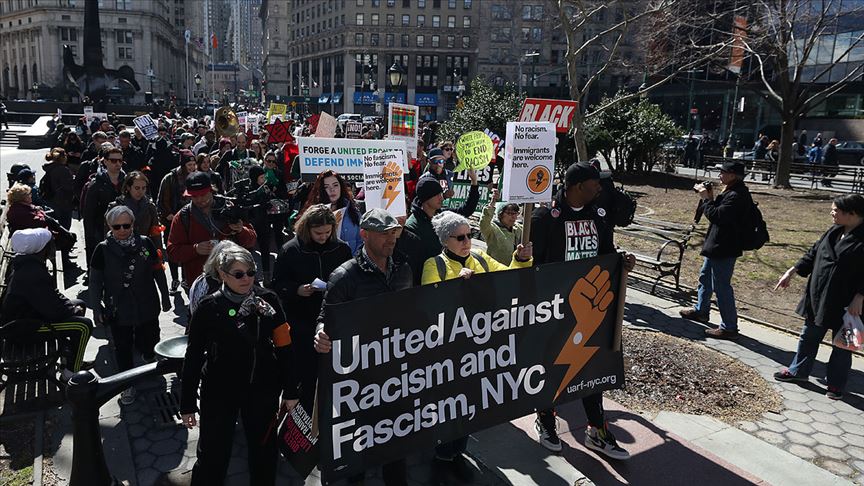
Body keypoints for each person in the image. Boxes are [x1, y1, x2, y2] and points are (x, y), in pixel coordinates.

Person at [530, 161, 636, 459]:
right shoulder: (545, 218)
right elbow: (535, 267)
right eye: (594, 184)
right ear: (577, 187)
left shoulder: (598, 216)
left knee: (592, 368)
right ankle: (546, 420)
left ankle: (597, 430)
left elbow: (606, 253)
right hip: (554, 310)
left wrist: (622, 262)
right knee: (552, 366)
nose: (600, 188)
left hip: (591, 310)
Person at [180, 244, 299, 486]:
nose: (246, 279)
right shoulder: (209, 307)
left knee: (264, 450)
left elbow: (285, 348)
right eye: (238, 274)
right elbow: (193, 356)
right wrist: (187, 403)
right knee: (213, 452)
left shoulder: (269, 300)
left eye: (251, 272)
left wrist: (290, 390)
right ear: (222, 275)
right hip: (219, 391)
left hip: (261, 387)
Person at [314, 208, 412, 486]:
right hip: (360, 377)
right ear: (364, 234)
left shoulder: (404, 269)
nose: (391, 239)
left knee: (397, 441)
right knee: (358, 443)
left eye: (394, 233)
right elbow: (325, 317)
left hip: (396, 372)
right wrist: (320, 334)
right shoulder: (344, 276)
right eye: (383, 234)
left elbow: (413, 311)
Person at [773, 194, 864, 400]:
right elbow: (813, 253)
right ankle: (798, 371)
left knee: (843, 345)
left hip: (849, 302)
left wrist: (860, 296)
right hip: (819, 295)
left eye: (836, 210)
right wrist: (792, 271)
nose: (831, 213)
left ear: (852, 214)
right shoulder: (834, 230)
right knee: (808, 336)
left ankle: (836, 385)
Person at [270, 204, 352, 407]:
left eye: (327, 232)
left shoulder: (341, 248)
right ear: (307, 229)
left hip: (333, 320)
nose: (323, 237)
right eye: (318, 233)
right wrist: (297, 289)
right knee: (306, 373)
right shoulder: (291, 250)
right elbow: (277, 285)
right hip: (302, 321)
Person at [89, 206, 171, 404]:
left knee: (151, 335)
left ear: (133, 224)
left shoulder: (145, 243)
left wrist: (165, 296)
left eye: (126, 225)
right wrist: (96, 308)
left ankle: (150, 359)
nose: (122, 230)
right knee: (122, 345)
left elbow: (157, 270)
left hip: (146, 301)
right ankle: (126, 384)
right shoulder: (102, 249)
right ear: (110, 227)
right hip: (119, 306)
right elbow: (95, 281)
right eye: (117, 227)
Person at [1, 228, 92, 379]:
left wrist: (72, 308)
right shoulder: (32, 272)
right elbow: (53, 309)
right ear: (41, 249)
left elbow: (51, 296)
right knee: (83, 326)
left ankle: (70, 359)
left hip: (28, 318)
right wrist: (72, 311)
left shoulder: (28, 264)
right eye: (50, 245)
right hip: (22, 330)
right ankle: (71, 375)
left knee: (80, 303)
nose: (53, 248)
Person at [680, 161, 753, 340]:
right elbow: (716, 211)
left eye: (723, 172)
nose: (719, 175)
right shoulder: (730, 191)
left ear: (733, 175)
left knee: (722, 287)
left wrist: (706, 198)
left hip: (725, 248)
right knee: (705, 277)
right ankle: (701, 311)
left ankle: (729, 327)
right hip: (716, 245)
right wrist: (711, 197)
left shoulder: (737, 195)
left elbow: (717, 216)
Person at [166, 171, 257, 288]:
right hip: (200, 284)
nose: (200, 199)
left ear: (211, 190)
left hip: (234, 281)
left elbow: (252, 240)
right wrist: (195, 249)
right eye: (194, 196)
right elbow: (172, 252)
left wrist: (241, 230)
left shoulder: (230, 208)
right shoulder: (182, 217)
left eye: (203, 194)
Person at [404, 173, 479, 276]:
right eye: (437, 195)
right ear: (426, 198)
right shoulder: (412, 226)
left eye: (441, 194)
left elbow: (466, 210)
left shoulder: (443, 216)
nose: (442, 198)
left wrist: (474, 182)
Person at [158, 150, 197, 293]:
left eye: (194, 164)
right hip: (172, 220)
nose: (192, 167)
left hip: (190, 220)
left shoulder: (195, 177)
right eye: (189, 165)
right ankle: (175, 279)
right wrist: (168, 214)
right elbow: (162, 200)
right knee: (173, 251)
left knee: (188, 251)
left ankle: (186, 278)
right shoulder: (170, 178)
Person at [302, 169, 363, 254]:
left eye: (335, 185)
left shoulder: (353, 210)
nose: (332, 190)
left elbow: (361, 240)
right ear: (321, 189)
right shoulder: (312, 213)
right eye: (326, 187)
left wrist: (354, 258)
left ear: (341, 187)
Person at [109, 171, 163, 251]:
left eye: (143, 188)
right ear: (128, 187)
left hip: (144, 250)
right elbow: (109, 234)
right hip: (121, 250)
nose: (140, 191)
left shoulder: (150, 207)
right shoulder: (116, 207)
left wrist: (158, 252)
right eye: (137, 188)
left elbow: (155, 233)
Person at [479, 189, 523, 266]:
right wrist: (492, 203)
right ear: (500, 214)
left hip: (516, 268)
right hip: (497, 270)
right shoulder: (493, 229)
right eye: (510, 213)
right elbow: (484, 223)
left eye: (515, 213)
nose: (514, 217)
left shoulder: (518, 228)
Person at [41, 147, 76, 231]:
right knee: (64, 227)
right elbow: (68, 187)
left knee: (55, 224)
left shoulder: (50, 168)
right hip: (64, 201)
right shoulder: (63, 170)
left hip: (52, 199)